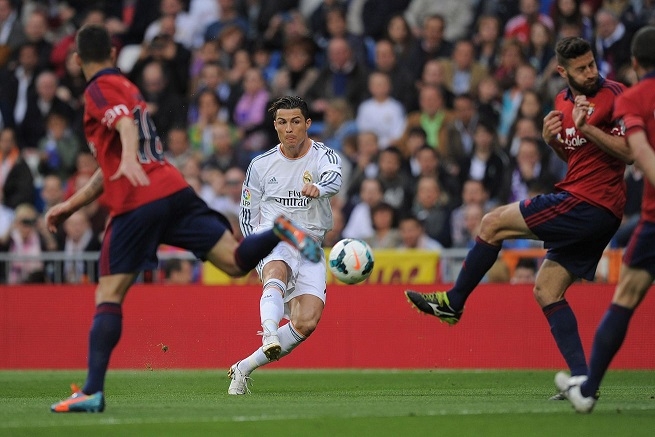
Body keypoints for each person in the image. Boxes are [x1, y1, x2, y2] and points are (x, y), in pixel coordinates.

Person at [48, 25, 323, 413]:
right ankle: (280, 229)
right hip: (174, 188)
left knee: (108, 294)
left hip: (137, 197)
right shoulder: (130, 86)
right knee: (233, 262)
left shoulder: (98, 88)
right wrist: (70, 204)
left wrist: (127, 159)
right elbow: (109, 161)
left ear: (78, 60)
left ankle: (92, 391)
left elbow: (124, 127)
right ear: (112, 53)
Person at [405, 36, 631, 399]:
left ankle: (454, 302)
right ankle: (581, 381)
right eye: (582, 68)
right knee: (547, 289)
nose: (591, 72)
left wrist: (588, 128)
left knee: (491, 222)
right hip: (590, 205)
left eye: (592, 64)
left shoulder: (616, 94)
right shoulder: (561, 101)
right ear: (563, 72)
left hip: (589, 203)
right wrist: (552, 141)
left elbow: (630, 152)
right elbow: (580, 157)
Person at [554, 26, 655, 414]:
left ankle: (589, 389)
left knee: (626, 296)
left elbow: (638, 151)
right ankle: (587, 387)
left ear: (633, 63)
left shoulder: (634, 98)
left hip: (653, 219)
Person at [227, 95, 342, 395]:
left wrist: (319, 187)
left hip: (311, 244)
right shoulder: (260, 165)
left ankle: (243, 368)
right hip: (274, 236)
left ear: (307, 124)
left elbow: (335, 179)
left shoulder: (323, 156)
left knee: (306, 323)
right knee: (276, 268)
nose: (289, 128)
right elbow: (247, 216)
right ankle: (268, 333)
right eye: (282, 122)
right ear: (275, 125)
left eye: (295, 121)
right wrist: (257, 253)